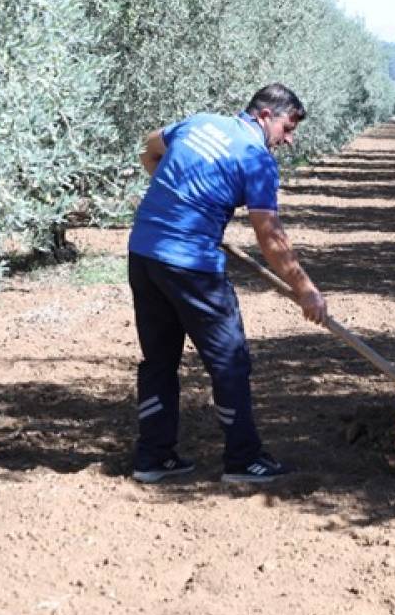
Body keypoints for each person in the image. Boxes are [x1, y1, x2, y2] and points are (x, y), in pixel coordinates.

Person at [127, 83, 327, 484]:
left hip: (144, 252)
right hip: (191, 265)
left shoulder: (199, 124)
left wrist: (179, 199)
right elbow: (269, 236)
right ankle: (243, 459)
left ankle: (153, 457)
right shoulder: (256, 159)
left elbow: (149, 150)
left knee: (159, 360)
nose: (289, 139)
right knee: (230, 360)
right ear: (265, 115)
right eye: (288, 127)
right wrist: (305, 288)